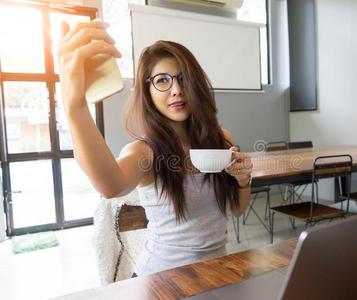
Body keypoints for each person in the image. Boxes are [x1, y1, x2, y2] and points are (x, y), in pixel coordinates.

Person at [58, 20, 253, 276]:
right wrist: (75, 106)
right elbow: (111, 186)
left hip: (216, 273)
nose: (177, 90)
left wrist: (243, 180)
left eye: (183, 79)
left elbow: (237, 209)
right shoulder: (145, 152)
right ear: (148, 92)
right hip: (163, 279)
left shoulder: (221, 139)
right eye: (162, 80)